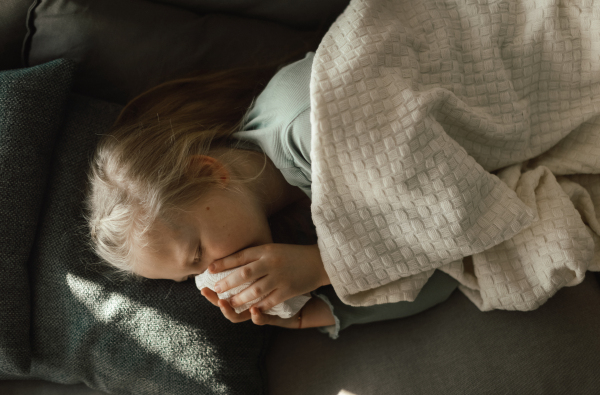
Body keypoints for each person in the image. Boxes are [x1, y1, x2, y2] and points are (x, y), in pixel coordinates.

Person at [87, 52, 459, 339]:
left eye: (198, 256)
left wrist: (324, 266)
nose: (212, 274)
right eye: (194, 275)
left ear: (208, 172)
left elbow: (455, 222)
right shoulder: (291, 222)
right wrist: (301, 314)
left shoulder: (306, 124)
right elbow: (444, 280)